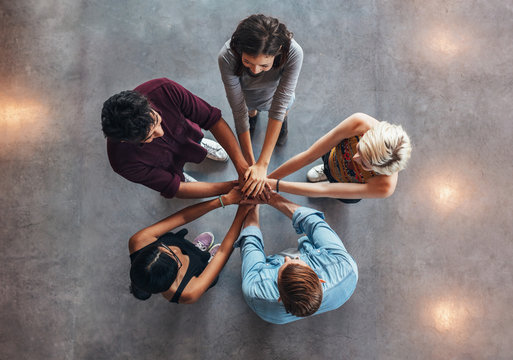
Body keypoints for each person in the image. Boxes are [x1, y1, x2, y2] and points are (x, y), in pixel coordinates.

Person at [101, 78, 249, 199]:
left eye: (158, 121)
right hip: (164, 166)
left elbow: (212, 119)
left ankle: (199, 144)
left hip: (187, 134)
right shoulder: (123, 162)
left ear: (146, 102)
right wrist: (233, 186)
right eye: (149, 136)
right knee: (175, 178)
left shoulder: (164, 89)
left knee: (193, 138)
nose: (160, 132)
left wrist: (242, 167)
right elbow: (176, 188)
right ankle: (180, 175)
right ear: (125, 141)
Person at [235, 192, 358, 324]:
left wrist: (253, 204)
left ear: (279, 298)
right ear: (320, 279)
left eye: (281, 269)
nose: (288, 259)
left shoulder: (255, 290)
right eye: (298, 261)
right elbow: (314, 223)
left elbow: (251, 242)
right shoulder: (345, 266)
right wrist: (270, 197)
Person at [218, 14, 303, 197]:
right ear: (239, 50)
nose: (254, 70)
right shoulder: (227, 56)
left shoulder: (294, 52)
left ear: (278, 51)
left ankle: (280, 126)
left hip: (275, 97)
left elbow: (280, 104)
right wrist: (250, 166)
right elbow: (238, 108)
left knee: (283, 112)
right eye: (247, 62)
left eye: (264, 65)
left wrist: (262, 165)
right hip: (247, 98)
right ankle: (254, 117)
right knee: (249, 113)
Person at [129, 187, 252, 303]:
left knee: (193, 251)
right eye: (174, 256)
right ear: (175, 272)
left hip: (185, 248)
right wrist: (242, 211)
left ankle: (196, 249)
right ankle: (209, 262)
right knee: (213, 269)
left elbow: (183, 217)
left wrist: (224, 200)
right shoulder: (188, 292)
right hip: (199, 271)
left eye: (162, 247)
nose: (176, 251)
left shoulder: (139, 241)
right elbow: (222, 253)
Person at [267, 112, 412, 203]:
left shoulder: (384, 187)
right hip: (332, 157)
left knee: (339, 194)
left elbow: (325, 190)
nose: (354, 158)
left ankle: (331, 175)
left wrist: (275, 185)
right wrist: (267, 180)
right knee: (326, 160)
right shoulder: (360, 123)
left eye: (364, 164)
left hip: (348, 183)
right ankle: (326, 170)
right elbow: (309, 155)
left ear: (380, 170)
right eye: (359, 148)